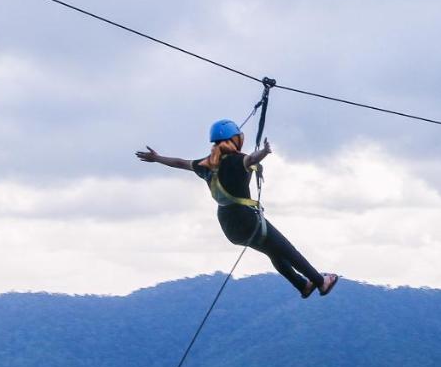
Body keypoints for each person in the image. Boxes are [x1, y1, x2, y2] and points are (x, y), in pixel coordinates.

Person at [136, 119, 338, 298]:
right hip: (246, 220)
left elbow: (180, 163)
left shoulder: (205, 164)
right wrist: (265, 152)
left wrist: (157, 158)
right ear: (235, 139)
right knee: (286, 249)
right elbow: (250, 160)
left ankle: (302, 285)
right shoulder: (236, 160)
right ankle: (321, 282)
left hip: (229, 226)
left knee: (274, 252)